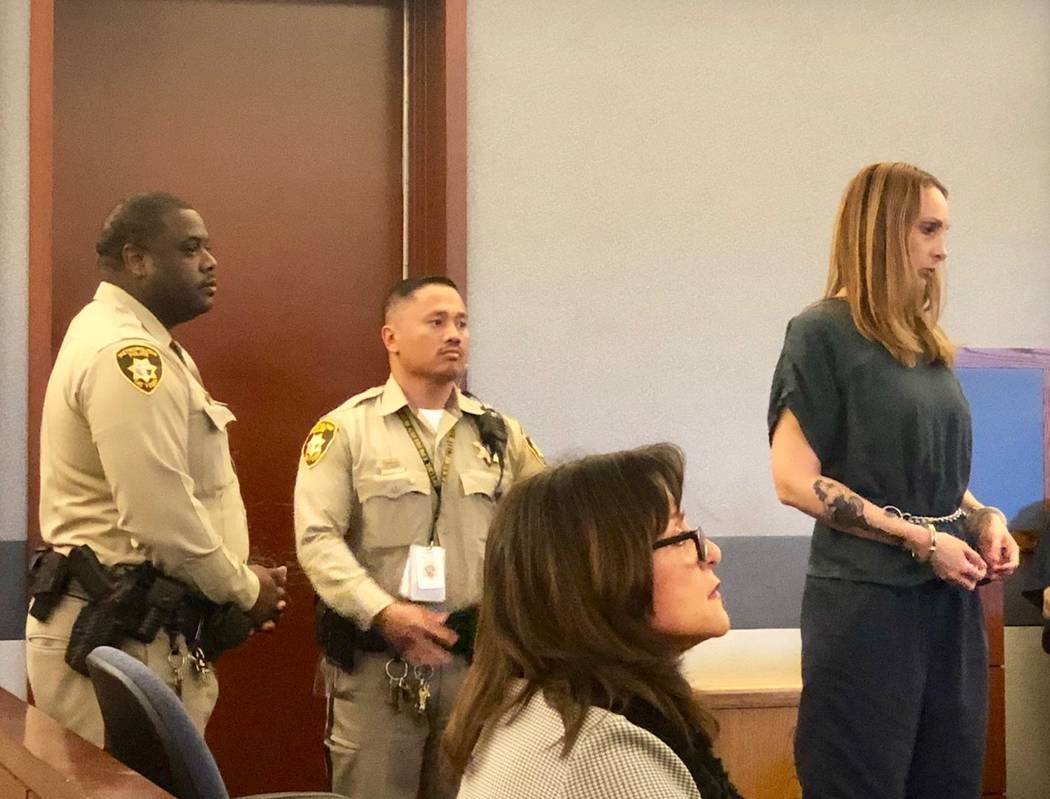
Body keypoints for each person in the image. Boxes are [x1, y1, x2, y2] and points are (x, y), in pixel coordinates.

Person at [768, 162, 1020, 799]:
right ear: (882, 232)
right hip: (867, 608)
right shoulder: (821, 332)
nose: (942, 248)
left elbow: (926, 477)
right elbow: (795, 481)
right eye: (928, 229)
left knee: (950, 780)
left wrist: (981, 514)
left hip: (948, 606)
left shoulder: (925, 345)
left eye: (944, 230)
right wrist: (919, 540)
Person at [26, 192, 287, 747]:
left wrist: (230, 588)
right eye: (191, 249)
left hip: (140, 631)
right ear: (137, 260)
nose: (210, 262)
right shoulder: (126, 356)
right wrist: (243, 588)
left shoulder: (154, 348)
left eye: (208, 248)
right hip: (117, 633)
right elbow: (159, 517)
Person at [294, 275, 545, 799]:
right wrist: (384, 612)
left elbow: (544, 528)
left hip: (472, 666)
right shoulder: (345, 431)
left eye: (461, 323)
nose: (454, 334)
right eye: (436, 322)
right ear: (391, 337)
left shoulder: (499, 435)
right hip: (378, 667)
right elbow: (318, 540)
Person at [444, 443, 741, 799]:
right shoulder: (604, 754)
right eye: (680, 537)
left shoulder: (534, 708)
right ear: (603, 573)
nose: (711, 553)